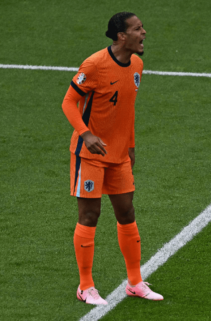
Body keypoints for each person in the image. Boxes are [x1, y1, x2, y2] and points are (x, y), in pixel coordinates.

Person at [61, 12, 163, 305]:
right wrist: (85, 134)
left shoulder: (137, 65)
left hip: (118, 154)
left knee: (127, 212)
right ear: (122, 36)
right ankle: (85, 287)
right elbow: (68, 101)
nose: (144, 32)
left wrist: (130, 145)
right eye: (137, 28)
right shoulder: (94, 65)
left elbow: (126, 109)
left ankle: (134, 282)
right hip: (89, 155)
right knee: (90, 216)